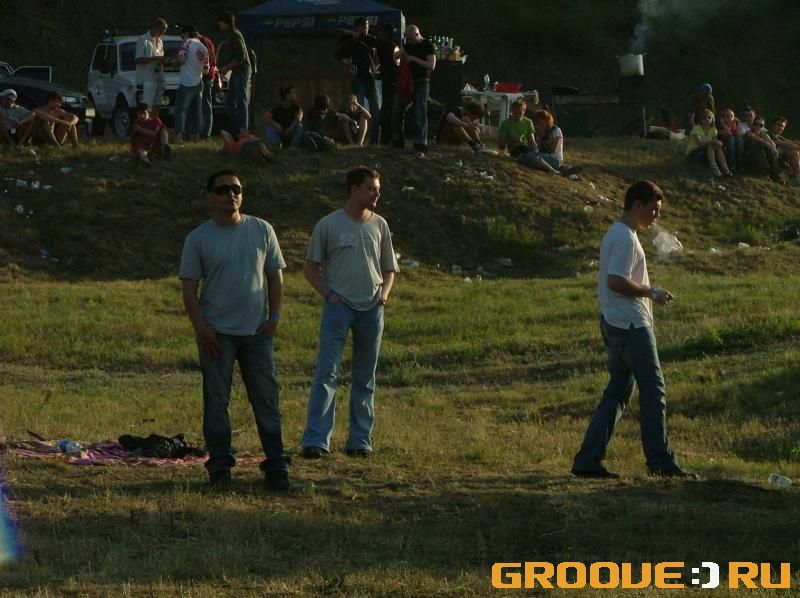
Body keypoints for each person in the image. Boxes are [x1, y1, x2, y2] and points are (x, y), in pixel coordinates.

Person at [572, 180, 693, 479]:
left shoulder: (618, 234)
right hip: (630, 324)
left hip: (615, 321)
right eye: (653, 209)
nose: (656, 216)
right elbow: (616, 280)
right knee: (654, 390)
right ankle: (661, 461)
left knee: (617, 392)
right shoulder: (625, 238)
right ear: (637, 205)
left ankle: (587, 459)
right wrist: (651, 292)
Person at [179, 169, 290, 490]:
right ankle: (220, 467)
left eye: (237, 189)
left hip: (257, 333)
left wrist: (274, 317)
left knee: (267, 401)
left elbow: (275, 276)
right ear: (210, 197)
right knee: (216, 402)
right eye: (223, 189)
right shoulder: (198, 238)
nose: (232, 194)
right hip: (217, 335)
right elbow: (189, 290)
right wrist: (202, 329)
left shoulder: (262, 230)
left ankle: (276, 466)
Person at [300, 166, 399, 459]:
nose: (376, 194)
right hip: (338, 308)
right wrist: (329, 296)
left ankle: (359, 441)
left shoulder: (380, 225)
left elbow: (389, 268)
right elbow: (310, 269)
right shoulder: (329, 224)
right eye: (371, 189)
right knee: (327, 373)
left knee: (365, 376)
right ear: (354, 189)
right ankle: (316, 441)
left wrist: (383, 295)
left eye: (378, 190)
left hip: (372, 309)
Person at [391, 24, 436, 157]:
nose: (409, 41)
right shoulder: (408, 45)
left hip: (421, 82)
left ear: (417, 34)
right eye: (407, 39)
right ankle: (397, 141)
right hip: (407, 82)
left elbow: (431, 65)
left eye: (411, 38)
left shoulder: (427, 45)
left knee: (419, 112)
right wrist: (398, 53)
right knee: (396, 109)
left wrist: (414, 59)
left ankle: (420, 145)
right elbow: (396, 56)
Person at [335, 17, 380, 144]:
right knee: (358, 109)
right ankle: (357, 140)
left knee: (375, 108)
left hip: (370, 78)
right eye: (363, 27)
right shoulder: (351, 43)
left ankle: (375, 141)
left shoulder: (371, 39)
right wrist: (349, 64)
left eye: (367, 27)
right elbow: (338, 56)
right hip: (358, 77)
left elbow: (378, 49)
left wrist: (376, 66)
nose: (366, 29)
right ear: (357, 28)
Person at [171, 25, 209, 144]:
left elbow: (181, 59)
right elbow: (206, 70)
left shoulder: (186, 43)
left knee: (180, 109)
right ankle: (196, 136)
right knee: (197, 111)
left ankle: (179, 136)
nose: (182, 38)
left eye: (182, 35)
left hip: (186, 82)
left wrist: (174, 63)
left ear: (186, 33)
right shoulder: (203, 47)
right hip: (198, 82)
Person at [217, 11, 252, 134]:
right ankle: (237, 128)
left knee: (241, 101)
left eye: (220, 21)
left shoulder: (236, 35)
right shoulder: (230, 35)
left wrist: (227, 67)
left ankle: (243, 130)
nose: (219, 24)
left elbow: (241, 56)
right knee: (229, 102)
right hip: (235, 72)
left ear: (226, 22)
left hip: (242, 71)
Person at [135, 18, 168, 114]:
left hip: (159, 77)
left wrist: (164, 60)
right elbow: (138, 59)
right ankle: (145, 122)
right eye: (160, 31)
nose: (161, 33)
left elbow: (160, 58)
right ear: (154, 27)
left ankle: (154, 122)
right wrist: (155, 58)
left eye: (163, 31)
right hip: (147, 78)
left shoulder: (160, 41)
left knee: (157, 104)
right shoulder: (143, 39)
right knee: (147, 105)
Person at [685, 108, 732, 177]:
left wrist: (718, 143)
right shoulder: (696, 128)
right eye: (704, 118)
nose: (707, 119)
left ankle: (725, 168)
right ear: (701, 120)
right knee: (710, 145)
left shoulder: (713, 130)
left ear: (712, 119)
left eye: (709, 117)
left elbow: (715, 143)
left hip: (705, 153)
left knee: (717, 147)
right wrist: (713, 141)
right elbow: (699, 143)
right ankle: (714, 168)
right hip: (693, 152)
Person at [375, 24, 399, 145]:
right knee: (389, 108)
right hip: (392, 80)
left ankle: (386, 137)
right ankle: (388, 136)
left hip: (389, 81)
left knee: (387, 108)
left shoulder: (383, 45)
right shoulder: (393, 47)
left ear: (386, 33)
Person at [518, 109, 562, 174]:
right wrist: (539, 136)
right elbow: (538, 148)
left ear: (547, 121)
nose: (539, 123)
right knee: (521, 156)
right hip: (542, 156)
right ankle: (540, 164)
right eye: (538, 121)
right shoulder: (539, 131)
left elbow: (553, 150)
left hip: (554, 159)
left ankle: (553, 170)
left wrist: (545, 139)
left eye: (541, 121)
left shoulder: (556, 130)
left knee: (531, 156)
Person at [742, 112, 782, 182]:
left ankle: (775, 174)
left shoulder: (763, 134)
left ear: (763, 127)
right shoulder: (749, 133)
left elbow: (772, 144)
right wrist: (771, 147)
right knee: (760, 145)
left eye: (761, 125)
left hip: (759, 159)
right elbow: (761, 141)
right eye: (756, 124)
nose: (758, 127)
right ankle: (764, 173)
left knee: (770, 149)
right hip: (748, 159)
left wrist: (773, 149)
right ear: (753, 125)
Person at [196, 30, 219, 139]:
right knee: (205, 104)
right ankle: (204, 131)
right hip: (207, 76)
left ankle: (204, 131)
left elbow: (209, 60)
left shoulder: (203, 42)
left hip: (205, 77)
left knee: (204, 104)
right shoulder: (207, 41)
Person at [767, 116, 800, 184]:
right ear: (772, 125)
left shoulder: (778, 136)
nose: (780, 128)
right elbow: (784, 144)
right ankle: (798, 176)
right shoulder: (768, 135)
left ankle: (794, 175)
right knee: (794, 152)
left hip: (777, 160)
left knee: (795, 153)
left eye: (782, 126)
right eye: (778, 125)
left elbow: (791, 141)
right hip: (770, 162)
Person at [717, 107, 743, 173]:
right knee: (731, 139)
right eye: (727, 116)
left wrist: (739, 122)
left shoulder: (734, 125)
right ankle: (732, 165)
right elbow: (729, 133)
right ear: (723, 118)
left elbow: (739, 134)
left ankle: (739, 165)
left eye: (732, 116)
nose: (730, 118)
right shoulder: (719, 127)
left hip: (734, 146)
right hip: (722, 146)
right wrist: (723, 124)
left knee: (739, 139)